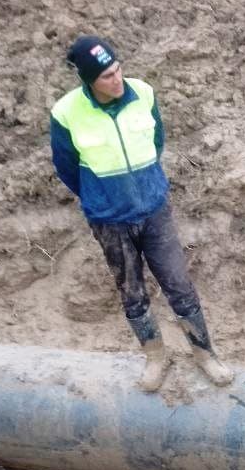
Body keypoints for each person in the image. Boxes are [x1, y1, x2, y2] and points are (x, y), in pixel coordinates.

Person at [50, 35, 231, 390]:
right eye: (107, 76)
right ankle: (156, 357)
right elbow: (67, 167)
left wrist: (146, 185)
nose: (117, 80)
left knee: (178, 283)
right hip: (110, 220)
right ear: (88, 80)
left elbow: (156, 141)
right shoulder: (66, 113)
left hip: (154, 211)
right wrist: (101, 197)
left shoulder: (143, 93)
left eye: (118, 70)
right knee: (131, 293)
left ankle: (205, 354)